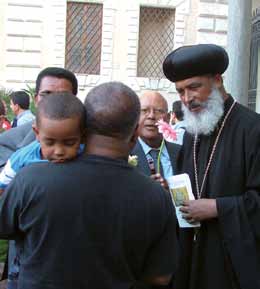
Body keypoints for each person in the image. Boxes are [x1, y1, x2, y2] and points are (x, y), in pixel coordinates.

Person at [0, 81, 179, 289]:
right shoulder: (156, 197)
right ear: (134, 137)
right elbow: (160, 277)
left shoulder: (30, 180)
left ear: (83, 131)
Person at [163, 43, 260, 289]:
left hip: (230, 260)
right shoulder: (194, 131)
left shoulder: (253, 129)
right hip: (192, 252)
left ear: (217, 80)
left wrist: (218, 207)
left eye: (194, 87)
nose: (187, 99)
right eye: (180, 91)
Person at [0, 91, 86, 289]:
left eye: (69, 143)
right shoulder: (21, 159)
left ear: (83, 135)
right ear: (37, 133)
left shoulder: (87, 153)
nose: (58, 151)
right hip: (31, 246)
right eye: (50, 142)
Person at [0, 67, 78, 170]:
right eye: (47, 94)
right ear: (36, 100)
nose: (54, 101)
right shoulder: (6, 142)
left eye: (63, 96)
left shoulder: (90, 142)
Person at [131, 90, 181, 190]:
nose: (151, 116)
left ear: (167, 118)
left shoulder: (181, 153)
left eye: (158, 111)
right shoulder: (125, 154)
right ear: (136, 117)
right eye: (144, 110)